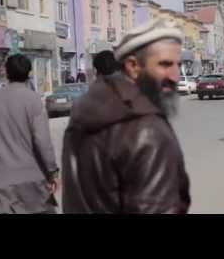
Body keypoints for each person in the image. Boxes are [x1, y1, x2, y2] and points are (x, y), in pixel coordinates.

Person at [61, 19, 191, 213]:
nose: (175, 76)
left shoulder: (85, 110)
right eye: (165, 64)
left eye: (178, 65)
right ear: (133, 65)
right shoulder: (147, 130)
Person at [0, 54, 60, 214]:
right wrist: (53, 172)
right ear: (29, 74)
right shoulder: (33, 100)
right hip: (32, 181)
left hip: (1, 182)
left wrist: (1, 144)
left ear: (7, 73)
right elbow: (42, 142)